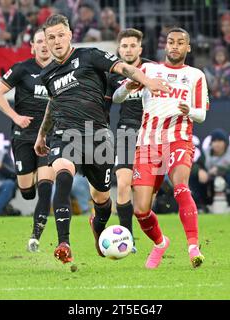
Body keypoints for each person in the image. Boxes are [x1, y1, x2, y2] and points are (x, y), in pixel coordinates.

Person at [34, 14, 170, 264]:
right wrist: (43, 134)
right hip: (66, 133)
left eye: (60, 35)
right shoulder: (48, 74)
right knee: (62, 175)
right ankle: (64, 243)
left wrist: (148, 81)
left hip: (97, 135)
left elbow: (124, 68)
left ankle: (98, 226)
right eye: (50, 37)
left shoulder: (89, 55)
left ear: (70, 35)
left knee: (102, 200)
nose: (55, 41)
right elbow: (52, 105)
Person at [113, 27, 209, 269]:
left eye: (180, 42)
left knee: (180, 187)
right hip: (147, 144)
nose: (175, 46)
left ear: (188, 48)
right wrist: (128, 87)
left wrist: (190, 112)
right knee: (141, 210)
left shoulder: (196, 75)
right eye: (170, 42)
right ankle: (160, 243)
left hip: (178, 139)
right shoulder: (148, 70)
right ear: (165, 46)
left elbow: (201, 114)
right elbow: (116, 97)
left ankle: (193, 247)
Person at [0, 29, 55, 252]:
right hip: (23, 137)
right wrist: (16, 117)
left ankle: (35, 237)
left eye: (47, 41)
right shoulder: (22, 69)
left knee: (46, 188)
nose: (44, 45)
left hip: (49, 137)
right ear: (33, 47)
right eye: (40, 42)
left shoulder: (61, 70)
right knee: (27, 191)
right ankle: (30, 183)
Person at [106, 28, 151, 253]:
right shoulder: (114, 73)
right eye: (124, 46)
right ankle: (128, 237)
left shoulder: (153, 69)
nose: (128, 49)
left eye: (133, 45)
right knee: (123, 183)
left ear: (140, 49)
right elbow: (111, 100)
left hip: (151, 133)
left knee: (146, 193)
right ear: (119, 49)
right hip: (125, 131)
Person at [190, 128, 230, 212]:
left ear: (225, 143)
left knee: (228, 177)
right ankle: (200, 204)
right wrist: (200, 171)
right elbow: (196, 165)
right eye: (214, 141)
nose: (217, 144)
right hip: (209, 180)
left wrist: (219, 169)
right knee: (194, 176)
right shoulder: (206, 153)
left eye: (220, 141)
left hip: (227, 182)